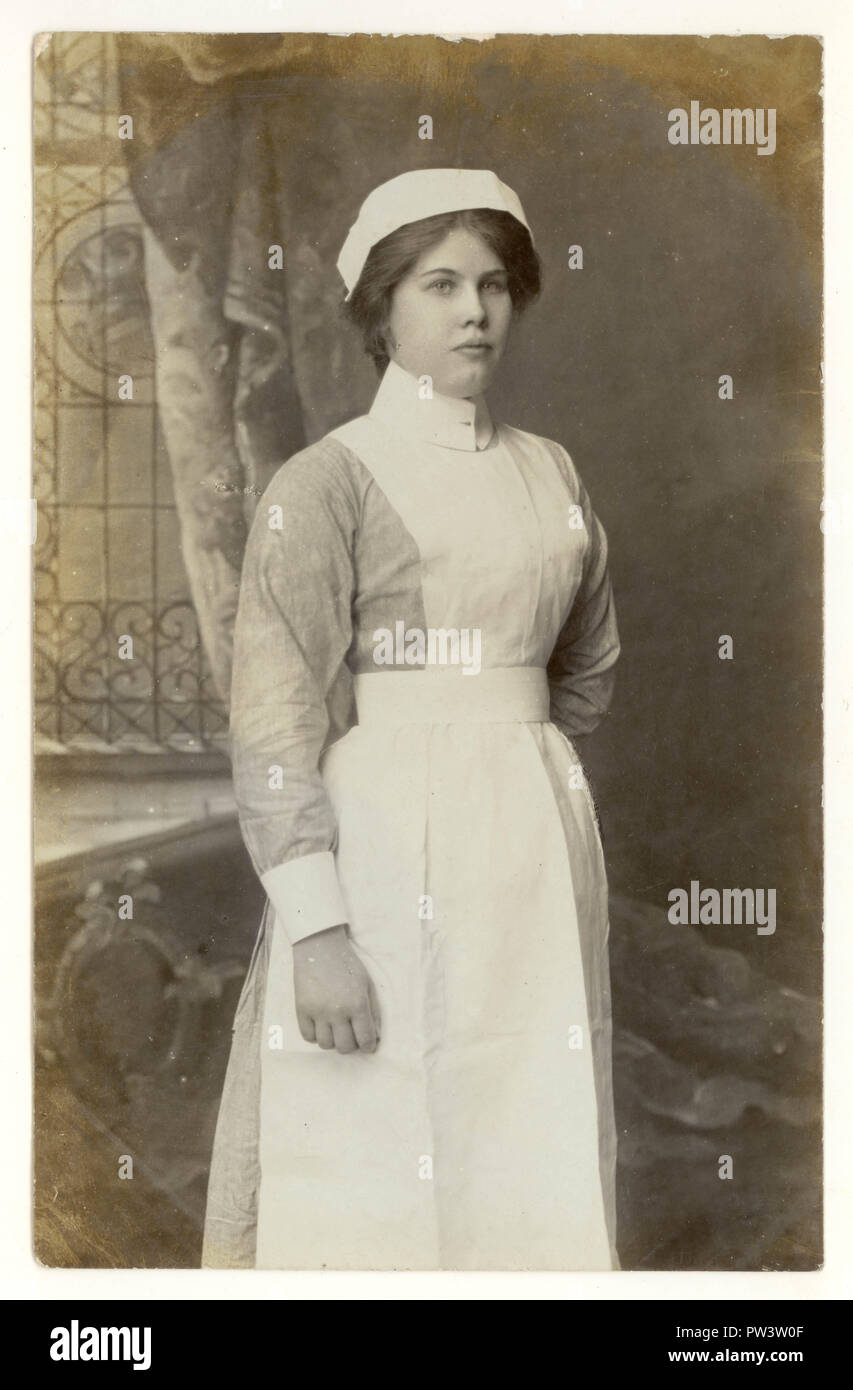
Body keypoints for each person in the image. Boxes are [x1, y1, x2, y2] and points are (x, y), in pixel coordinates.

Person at [202, 167, 621, 1271]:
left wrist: (517, 764)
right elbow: (275, 709)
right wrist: (320, 930)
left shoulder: (550, 473)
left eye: (492, 284)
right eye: (439, 284)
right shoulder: (327, 479)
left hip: (529, 847)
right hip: (381, 849)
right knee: (371, 1138)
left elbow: (584, 669)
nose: (473, 310)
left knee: (530, 1130)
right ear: (382, 309)